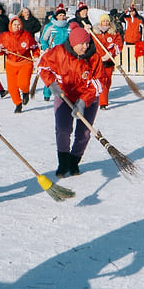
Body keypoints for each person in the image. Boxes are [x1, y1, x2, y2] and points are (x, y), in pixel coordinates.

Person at [38, 24, 106, 178]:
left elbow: (99, 82)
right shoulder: (59, 52)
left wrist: (83, 101)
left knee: (84, 133)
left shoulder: (94, 57)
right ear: (74, 43)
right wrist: (52, 84)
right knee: (62, 129)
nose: (85, 46)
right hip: (64, 96)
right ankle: (63, 163)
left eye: (87, 43)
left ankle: (74, 162)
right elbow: (43, 67)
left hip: (87, 98)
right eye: (82, 44)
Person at [0, 16, 40, 112]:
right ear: (10, 26)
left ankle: (25, 92)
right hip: (11, 64)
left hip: (25, 63)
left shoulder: (26, 35)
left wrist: (36, 56)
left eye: (18, 24)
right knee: (12, 87)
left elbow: (35, 47)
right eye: (14, 25)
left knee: (23, 83)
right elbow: (0, 50)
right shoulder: (5, 36)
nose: (17, 27)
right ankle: (18, 104)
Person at [38, 5, 71, 101]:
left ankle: (63, 93)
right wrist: (45, 48)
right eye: (60, 15)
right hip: (53, 54)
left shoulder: (68, 27)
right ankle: (47, 93)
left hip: (65, 54)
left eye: (63, 15)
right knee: (51, 74)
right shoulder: (50, 26)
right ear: (56, 16)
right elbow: (43, 40)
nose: (62, 17)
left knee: (64, 74)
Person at [91, 14, 123, 109]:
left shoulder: (113, 34)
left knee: (107, 82)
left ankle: (102, 96)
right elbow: (88, 42)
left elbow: (119, 46)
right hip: (97, 62)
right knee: (101, 81)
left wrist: (110, 54)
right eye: (103, 21)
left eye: (107, 21)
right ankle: (103, 102)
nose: (105, 23)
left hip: (108, 62)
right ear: (100, 22)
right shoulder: (94, 33)